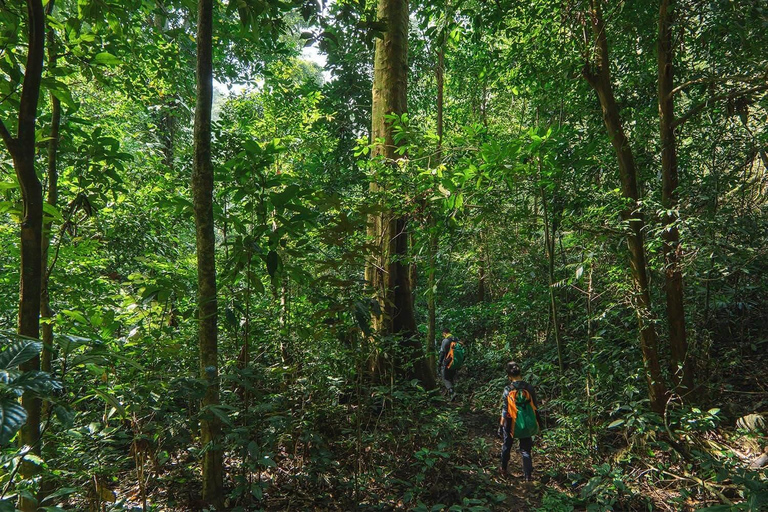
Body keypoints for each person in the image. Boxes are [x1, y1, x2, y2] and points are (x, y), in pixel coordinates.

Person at [498, 360, 540, 481]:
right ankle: (528, 476)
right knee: (526, 450)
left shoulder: (508, 389)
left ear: (509, 376)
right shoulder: (529, 387)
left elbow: (505, 410)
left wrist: (501, 425)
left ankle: (503, 469)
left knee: (507, 445)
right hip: (526, 422)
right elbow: (535, 407)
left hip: (511, 422)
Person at [437, 328, 457, 399]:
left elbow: (442, 353)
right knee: (451, 377)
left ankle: (452, 392)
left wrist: (439, 363)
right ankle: (452, 395)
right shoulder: (455, 339)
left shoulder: (446, 340)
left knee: (445, 378)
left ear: (444, 333)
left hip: (447, 362)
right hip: (455, 362)